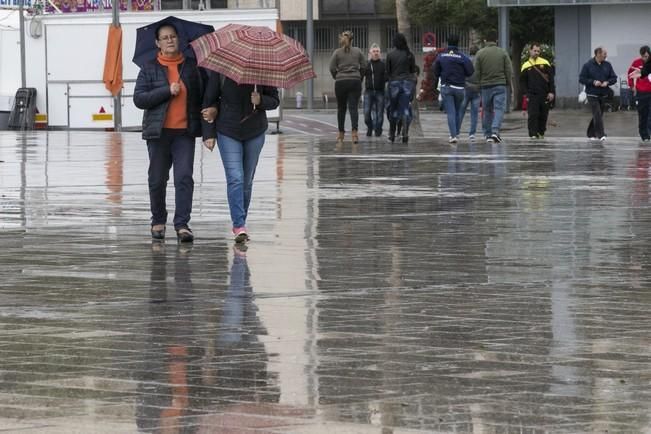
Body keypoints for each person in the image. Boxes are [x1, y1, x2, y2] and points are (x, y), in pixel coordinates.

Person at [133, 23, 210, 243]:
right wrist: (167, 91)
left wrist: (209, 124)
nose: (169, 40)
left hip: (184, 133)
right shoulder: (149, 68)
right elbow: (139, 99)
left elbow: (203, 97)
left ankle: (182, 224)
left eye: (173, 36)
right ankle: (158, 220)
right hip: (158, 133)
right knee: (157, 179)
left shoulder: (192, 67)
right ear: (157, 43)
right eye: (165, 37)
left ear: (179, 40)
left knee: (184, 178)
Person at [202, 73, 280, 244]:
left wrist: (260, 101)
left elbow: (274, 100)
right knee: (235, 178)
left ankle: (240, 221)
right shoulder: (221, 70)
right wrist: (208, 133)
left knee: (246, 181)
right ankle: (239, 225)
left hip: (255, 131)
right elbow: (209, 100)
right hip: (228, 130)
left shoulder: (262, 70)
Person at [431, 35, 474, 144]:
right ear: (458, 43)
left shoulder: (441, 56)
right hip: (459, 88)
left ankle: (453, 135)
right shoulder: (463, 57)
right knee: (458, 111)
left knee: (450, 112)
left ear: (447, 43)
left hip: (446, 87)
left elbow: (435, 70)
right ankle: (457, 133)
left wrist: (441, 74)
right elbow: (470, 71)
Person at [329, 31, 366, 146]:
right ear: (352, 40)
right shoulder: (358, 51)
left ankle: (341, 134)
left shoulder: (337, 52)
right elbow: (364, 66)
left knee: (341, 108)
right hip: (355, 81)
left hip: (341, 82)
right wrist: (359, 77)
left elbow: (331, 67)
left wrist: (337, 76)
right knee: (353, 108)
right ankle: (354, 134)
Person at [474, 33, 512, 143]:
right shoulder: (503, 52)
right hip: (500, 84)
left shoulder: (480, 53)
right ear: (496, 40)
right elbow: (508, 70)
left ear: (485, 40)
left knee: (487, 110)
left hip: (485, 86)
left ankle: (487, 134)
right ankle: (495, 131)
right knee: (499, 109)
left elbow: (476, 72)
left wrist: (477, 85)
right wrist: (508, 83)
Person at [579, 46, 617, 141]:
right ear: (598, 54)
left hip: (603, 94)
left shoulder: (608, 65)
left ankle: (591, 133)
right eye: (604, 54)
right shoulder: (587, 65)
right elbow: (581, 79)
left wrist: (607, 82)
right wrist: (593, 82)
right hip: (592, 94)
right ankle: (601, 135)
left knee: (599, 114)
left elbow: (614, 78)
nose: (606, 55)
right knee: (597, 114)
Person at [386, 32, 417, 143]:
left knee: (393, 109)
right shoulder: (409, 54)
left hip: (394, 83)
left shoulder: (390, 55)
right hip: (407, 83)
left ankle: (392, 133)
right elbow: (413, 71)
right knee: (404, 108)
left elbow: (388, 72)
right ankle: (405, 131)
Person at [520, 43, 556, 140]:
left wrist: (551, 92)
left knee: (543, 115)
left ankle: (541, 132)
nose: (536, 53)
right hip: (532, 95)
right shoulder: (525, 65)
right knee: (533, 115)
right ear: (530, 51)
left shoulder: (545, 63)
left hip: (544, 94)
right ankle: (532, 134)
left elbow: (551, 80)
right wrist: (526, 94)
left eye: (538, 51)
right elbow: (523, 82)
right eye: (535, 50)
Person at [363, 43, 387, 137]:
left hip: (380, 92)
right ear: (370, 53)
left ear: (380, 53)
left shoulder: (383, 64)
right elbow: (361, 75)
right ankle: (370, 127)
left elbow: (387, 76)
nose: (376, 53)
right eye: (374, 51)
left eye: (377, 51)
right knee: (366, 114)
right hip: (368, 92)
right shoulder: (367, 64)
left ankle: (378, 130)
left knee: (379, 114)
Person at [627, 46, 651, 142]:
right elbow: (630, 75)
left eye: (647, 56)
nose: (645, 58)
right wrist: (632, 86)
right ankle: (643, 134)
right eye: (643, 56)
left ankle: (648, 132)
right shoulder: (636, 63)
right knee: (642, 114)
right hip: (641, 92)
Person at [460, 47, 480, 141]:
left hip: (466, 88)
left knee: (461, 111)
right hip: (476, 89)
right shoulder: (480, 62)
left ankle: (456, 132)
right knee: (474, 113)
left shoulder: (465, 60)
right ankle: (472, 134)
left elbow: (462, 73)